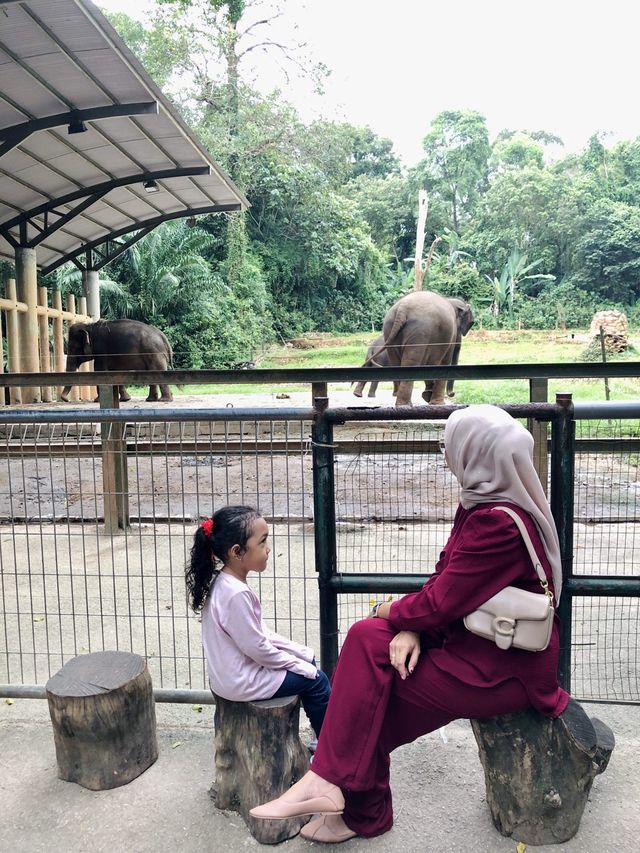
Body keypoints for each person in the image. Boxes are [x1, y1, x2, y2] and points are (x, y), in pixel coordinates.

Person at [249, 405, 571, 843]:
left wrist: (389, 610)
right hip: (473, 642)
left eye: (451, 445)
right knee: (365, 649)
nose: (446, 454)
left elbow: (442, 599)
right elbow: (446, 577)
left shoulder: (498, 523)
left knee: (369, 695)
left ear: (475, 453)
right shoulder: (486, 504)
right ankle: (337, 789)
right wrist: (413, 626)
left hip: (501, 670)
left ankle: (356, 805)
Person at [185, 505, 331, 741]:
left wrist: (299, 654)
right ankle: (330, 754)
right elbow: (258, 649)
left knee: (308, 660)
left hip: (231, 674)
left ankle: (321, 740)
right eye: (262, 542)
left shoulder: (225, 582)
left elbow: (257, 634)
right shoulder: (236, 595)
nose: (268, 549)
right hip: (240, 681)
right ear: (237, 552)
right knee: (317, 681)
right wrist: (300, 666)